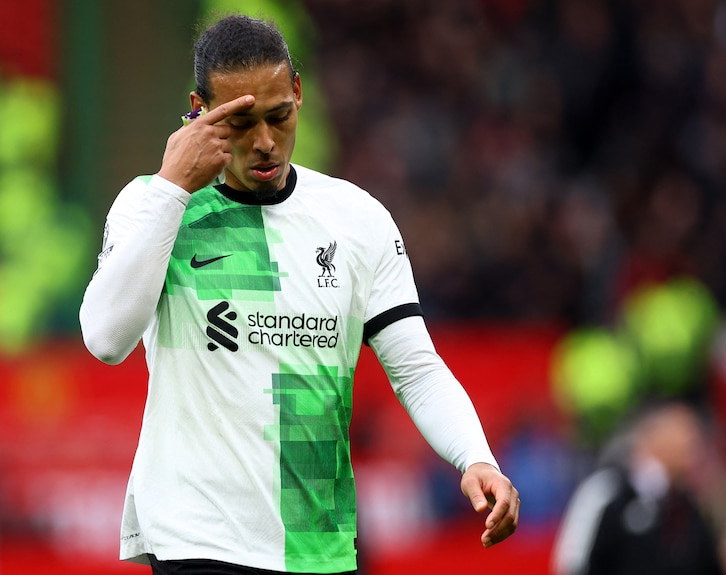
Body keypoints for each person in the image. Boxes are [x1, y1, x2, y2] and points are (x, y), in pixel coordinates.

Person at [79, 13, 519, 575]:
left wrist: (474, 456)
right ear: (199, 110)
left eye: (278, 116)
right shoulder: (154, 206)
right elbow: (105, 339)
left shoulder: (357, 218)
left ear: (299, 93)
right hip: (199, 541)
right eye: (239, 123)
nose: (264, 142)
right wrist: (171, 188)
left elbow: (415, 367)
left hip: (320, 545)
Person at [551, 400, 724, 575]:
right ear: (654, 437)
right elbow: (573, 562)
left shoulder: (690, 504)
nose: (692, 444)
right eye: (683, 433)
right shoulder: (607, 488)